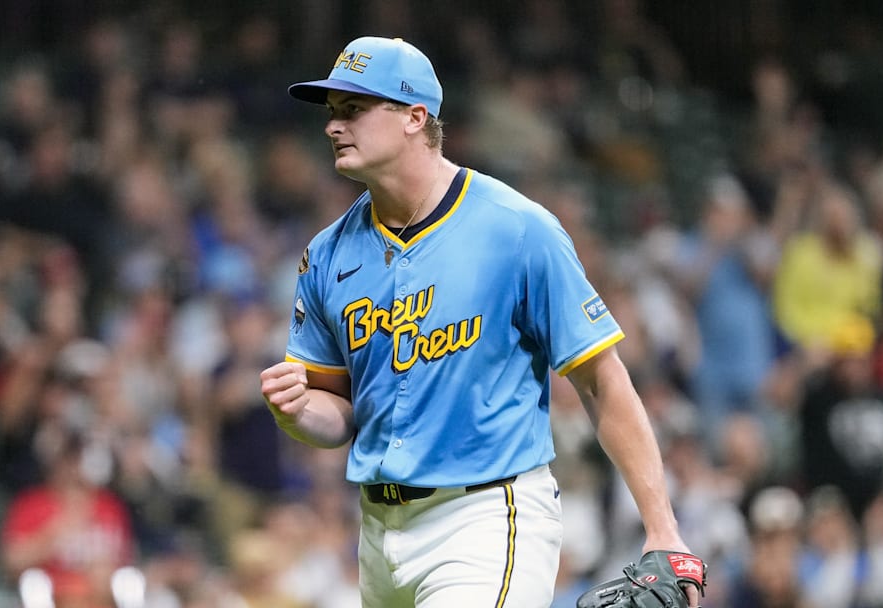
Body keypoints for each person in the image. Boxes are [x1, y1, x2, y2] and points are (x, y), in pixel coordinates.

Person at [259, 36, 700, 607]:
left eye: (353, 109)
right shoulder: (327, 254)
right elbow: (339, 414)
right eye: (332, 112)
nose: (332, 126)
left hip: (486, 517)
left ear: (415, 117)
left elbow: (602, 380)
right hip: (377, 530)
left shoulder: (516, 229)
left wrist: (663, 529)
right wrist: (296, 412)